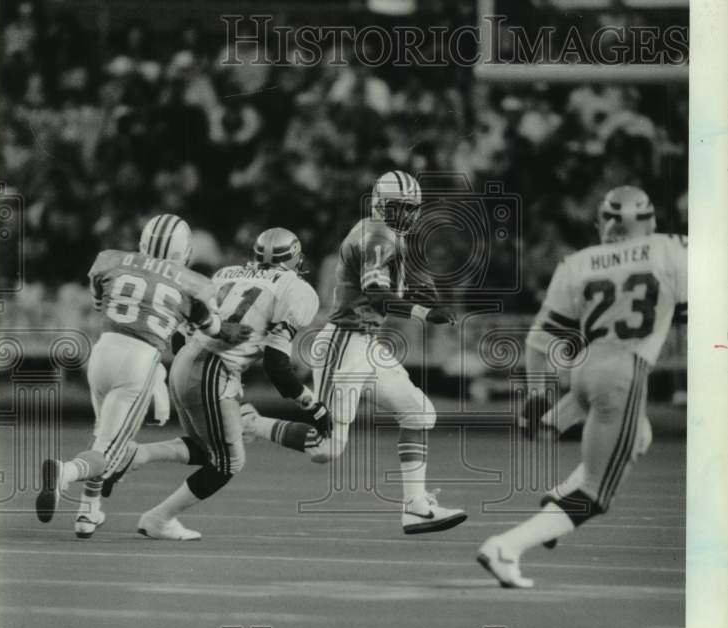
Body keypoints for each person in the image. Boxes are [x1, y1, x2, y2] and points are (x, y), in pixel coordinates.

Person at [477, 185, 687, 588]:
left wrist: (537, 397)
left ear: (602, 224)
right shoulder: (671, 249)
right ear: (650, 222)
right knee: (595, 495)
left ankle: (556, 476)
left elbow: (538, 342)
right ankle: (507, 547)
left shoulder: (579, 262)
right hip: (624, 371)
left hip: (585, 367)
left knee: (639, 434)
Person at [242, 171, 467, 534]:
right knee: (326, 448)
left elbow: (384, 290)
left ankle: (416, 506)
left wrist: (417, 294)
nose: (406, 215)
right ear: (380, 203)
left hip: (366, 343)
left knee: (419, 412)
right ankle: (250, 423)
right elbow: (377, 295)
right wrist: (425, 312)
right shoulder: (377, 235)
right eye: (399, 207)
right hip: (344, 344)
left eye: (411, 209)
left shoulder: (382, 232)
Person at [107, 228, 331, 540]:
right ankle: (158, 518)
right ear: (295, 258)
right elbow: (276, 366)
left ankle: (136, 455)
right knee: (228, 463)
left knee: (207, 448)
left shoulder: (226, 274)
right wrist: (314, 405)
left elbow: (182, 324)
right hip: (213, 371)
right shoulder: (297, 290)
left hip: (186, 360)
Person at [35, 214, 248, 538]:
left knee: (103, 435)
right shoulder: (192, 282)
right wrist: (229, 331)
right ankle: (65, 472)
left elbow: (98, 302)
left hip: (102, 352)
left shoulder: (111, 260)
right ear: (184, 251)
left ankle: (88, 511)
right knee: (109, 453)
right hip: (139, 361)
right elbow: (211, 327)